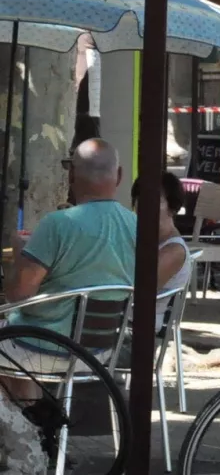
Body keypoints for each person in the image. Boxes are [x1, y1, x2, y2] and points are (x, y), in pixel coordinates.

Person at [5, 139, 136, 339]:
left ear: (71, 174)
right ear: (119, 175)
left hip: (42, 345)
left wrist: (18, 255)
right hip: (102, 349)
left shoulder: (57, 224)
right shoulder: (136, 225)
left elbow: (18, 295)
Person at [129, 171, 191, 302]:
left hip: (145, 320)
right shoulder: (144, 239)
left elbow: (138, 288)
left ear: (172, 206)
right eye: (140, 197)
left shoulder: (174, 250)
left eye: (154, 199)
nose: (145, 204)